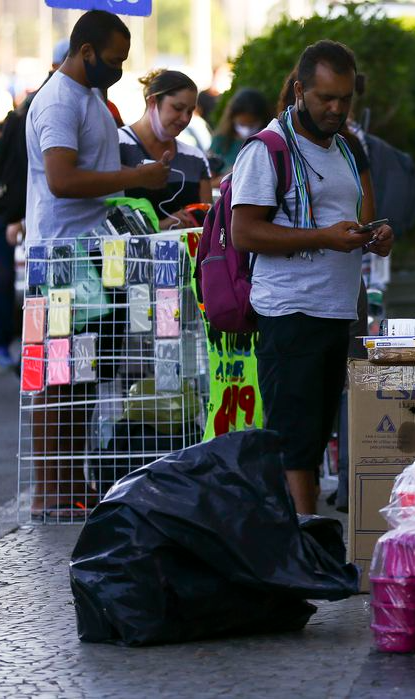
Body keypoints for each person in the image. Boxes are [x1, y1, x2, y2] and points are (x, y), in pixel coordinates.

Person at [230, 40, 393, 516]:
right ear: (300, 90)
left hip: (334, 309)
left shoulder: (342, 146)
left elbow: (348, 218)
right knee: (294, 439)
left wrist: (374, 234)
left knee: (318, 431)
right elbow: (245, 231)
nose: (336, 108)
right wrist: (323, 236)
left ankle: (304, 535)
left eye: (345, 98)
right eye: (325, 97)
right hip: (290, 310)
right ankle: (301, 536)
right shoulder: (268, 149)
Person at [25, 10, 170, 520]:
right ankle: (50, 491)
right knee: (56, 377)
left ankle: (70, 484)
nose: (120, 68)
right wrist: (136, 177)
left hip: (91, 255)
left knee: (81, 375)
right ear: (84, 51)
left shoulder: (90, 99)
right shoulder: (60, 101)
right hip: (62, 260)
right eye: (113, 59)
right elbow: (61, 180)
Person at [119, 69, 212, 228]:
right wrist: (161, 226)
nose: (185, 118)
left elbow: (210, 224)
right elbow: (106, 215)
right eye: (177, 108)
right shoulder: (116, 144)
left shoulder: (195, 158)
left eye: (190, 111)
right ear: (152, 102)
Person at [209, 87, 271, 183]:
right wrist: (229, 177)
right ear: (232, 118)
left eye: (252, 125)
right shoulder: (220, 141)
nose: (246, 130)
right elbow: (207, 183)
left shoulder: (267, 143)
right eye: (242, 124)